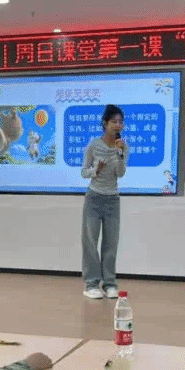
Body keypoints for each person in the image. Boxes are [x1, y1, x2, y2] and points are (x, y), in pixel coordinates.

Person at [81, 104, 128, 299]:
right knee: (90, 242)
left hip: (112, 200)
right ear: (105, 124)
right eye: (114, 121)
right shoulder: (94, 145)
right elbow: (84, 172)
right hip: (94, 198)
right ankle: (91, 284)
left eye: (120, 122)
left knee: (111, 244)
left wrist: (120, 155)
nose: (118, 125)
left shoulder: (122, 146)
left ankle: (109, 283)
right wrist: (96, 170)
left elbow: (121, 173)